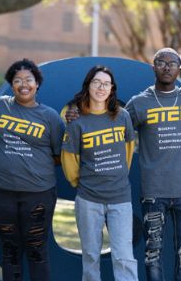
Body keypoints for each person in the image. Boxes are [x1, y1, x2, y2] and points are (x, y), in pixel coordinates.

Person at [125, 48, 181, 281]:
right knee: (152, 253)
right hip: (153, 191)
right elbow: (117, 131)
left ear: (179, 70)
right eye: (161, 62)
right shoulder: (139, 103)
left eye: (172, 63)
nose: (167, 67)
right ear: (153, 67)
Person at [0, 59, 65, 281]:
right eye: (17, 80)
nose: (23, 84)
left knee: (37, 251)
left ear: (37, 84)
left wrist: (34, 168)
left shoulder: (50, 117)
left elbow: (59, 155)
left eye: (29, 79)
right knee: (10, 252)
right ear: (11, 84)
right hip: (1, 192)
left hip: (38, 194)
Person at [61, 65, 137, 281]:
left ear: (112, 89)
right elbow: (70, 160)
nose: (101, 87)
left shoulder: (122, 116)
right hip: (88, 199)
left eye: (106, 83)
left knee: (124, 256)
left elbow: (128, 150)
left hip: (120, 198)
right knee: (91, 256)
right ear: (88, 86)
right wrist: (82, 183)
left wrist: (117, 175)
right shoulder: (77, 122)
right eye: (97, 82)